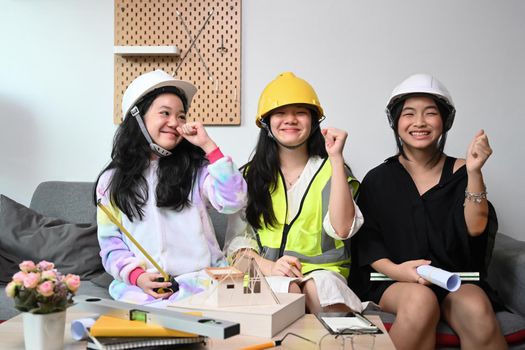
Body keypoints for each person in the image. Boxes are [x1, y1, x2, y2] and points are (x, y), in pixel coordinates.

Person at [350, 73, 506, 349]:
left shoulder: (464, 171)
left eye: (430, 113)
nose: (419, 122)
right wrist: (399, 272)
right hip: (394, 280)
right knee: (421, 301)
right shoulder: (378, 179)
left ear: (444, 122)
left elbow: (476, 227)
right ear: (396, 122)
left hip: (454, 280)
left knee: (477, 309)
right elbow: (368, 243)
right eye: (409, 114)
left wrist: (474, 171)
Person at [94, 69, 247, 304]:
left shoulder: (197, 170)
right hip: (142, 290)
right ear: (137, 118)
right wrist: (137, 277)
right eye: (164, 113)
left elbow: (234, 201)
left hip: (200, 283)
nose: (175, 123)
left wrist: (209, 147)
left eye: (181, 116)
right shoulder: (110, 182)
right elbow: (111, 244)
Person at [224, 72, 364, 314]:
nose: (290, 120)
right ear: (266, 122)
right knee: (288, 291)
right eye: (280, 113)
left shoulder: (334, 169)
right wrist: (269, 267)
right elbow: (237, 249)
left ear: (313, 121)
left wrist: (337, 158)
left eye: (300, 112)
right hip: (265, 274)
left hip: (325, 276)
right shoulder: (248, 176)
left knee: (318, 289)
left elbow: (342, 229)